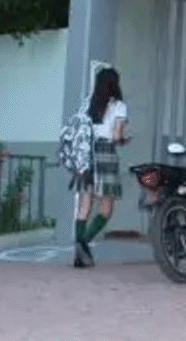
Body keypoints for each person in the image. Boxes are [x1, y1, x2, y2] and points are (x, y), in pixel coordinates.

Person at [71, 67, 130, 268]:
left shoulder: (88, 103)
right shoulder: (119, 106)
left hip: (86, 154)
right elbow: (115, 136)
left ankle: (79, 253)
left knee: (84, 206)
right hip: (106, 154)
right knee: (106, 208)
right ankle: (84, 243)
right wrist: (122, 140)